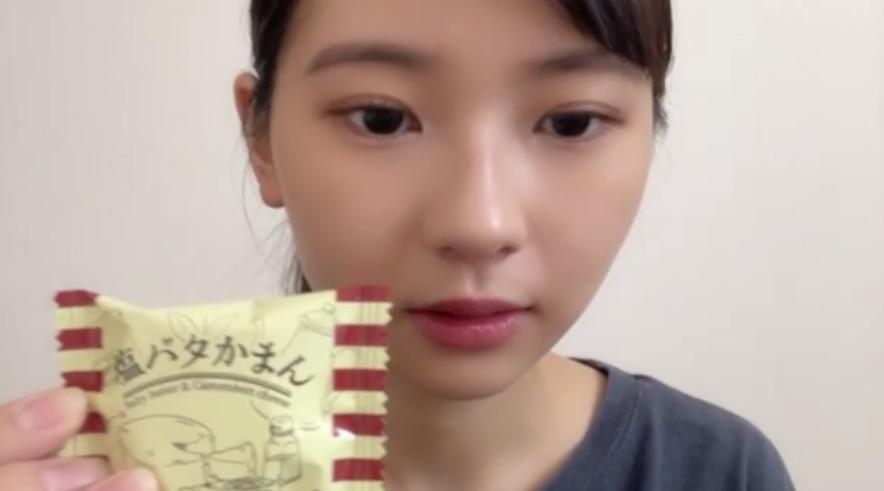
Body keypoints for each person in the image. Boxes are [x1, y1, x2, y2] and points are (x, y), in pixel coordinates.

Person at [0, 1, 795, 490]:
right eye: (381, 118)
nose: (479, 223)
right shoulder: (127, 467)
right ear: (261, 139)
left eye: (571, 121)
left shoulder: (717, 472)